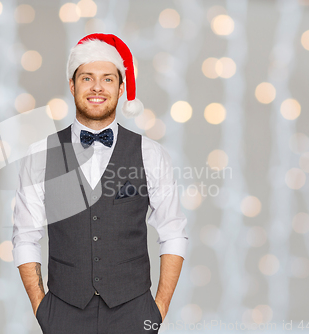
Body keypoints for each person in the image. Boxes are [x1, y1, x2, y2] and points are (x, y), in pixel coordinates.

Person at [12, 33, 189, 333]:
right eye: (87, 78)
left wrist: (157, 310)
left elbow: (173, 231)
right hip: (63, 314)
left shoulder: (151, 154)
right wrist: (42, 308)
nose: (97, 87)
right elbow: (25, 236)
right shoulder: (40, 155)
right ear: (72, 85)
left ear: (121, 88)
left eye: (107, 79)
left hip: (134, 313)